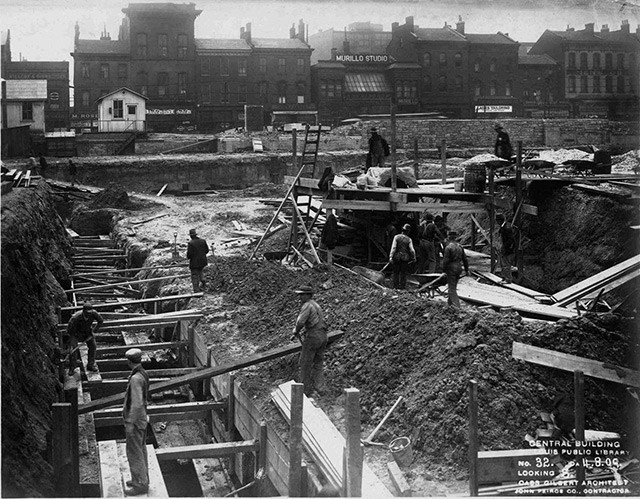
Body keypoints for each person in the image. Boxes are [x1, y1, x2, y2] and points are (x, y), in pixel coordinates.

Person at [291, 286, 327, 397]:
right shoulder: (316, 305)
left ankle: (305, 391)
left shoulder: (307, 306)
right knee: (318, 363)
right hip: (323, 335)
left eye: (302, 294)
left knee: (305, 363)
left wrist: (295, 330)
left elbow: (301, 321)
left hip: (313, 337)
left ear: (308, 295)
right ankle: (320, 388)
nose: (300, 297)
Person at [123, 348, 150, 496]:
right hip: (142, 418)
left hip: (135, 421)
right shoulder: (143, 373)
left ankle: (140, 485)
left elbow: (137, 403)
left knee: (134, 452)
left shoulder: (135, 379)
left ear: (128, 361)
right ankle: (141, 479)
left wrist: (130, 423)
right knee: (141, 449)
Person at [65, 302, 104, 375]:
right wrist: (73, 339)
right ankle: (72, 367)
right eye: (87, 313)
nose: (89, 314)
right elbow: (70, 330)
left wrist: (93, 332)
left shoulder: (94, 313)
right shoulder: (75, 318)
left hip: (87, 332)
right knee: (73, 350)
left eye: (90, 312)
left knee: (93, 346)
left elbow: (100, 321)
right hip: (75, 333)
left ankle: (90, 365)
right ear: (83, 311)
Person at [441, 231, 469, 309]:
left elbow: (445, 260)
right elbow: (465, 259)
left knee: (451, 289)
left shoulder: (448, 247)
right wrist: (467, 270)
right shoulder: (460, 247)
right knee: (453, 286)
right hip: (459, 268)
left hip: (451, 268)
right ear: (455, 237)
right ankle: (449, 305)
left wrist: (443, 270)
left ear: (449, 237)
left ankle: (457, 306)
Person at [389, 223, 416, 290]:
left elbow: (394, 248)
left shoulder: (396, 237)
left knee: (396, 272)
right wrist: (414, 257)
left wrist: (390, 256)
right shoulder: (409, 239)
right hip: (405, 258)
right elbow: (412, 250)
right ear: (408, 231)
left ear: (402, 230)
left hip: (397, 257)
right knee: (403, 273)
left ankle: (395, 287)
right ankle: (402, 287)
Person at [495, 213, 516, 284]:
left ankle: (508, 279)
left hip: (508, 249)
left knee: (506, 264)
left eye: (497, 221)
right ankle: (504, 278)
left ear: (500, 220)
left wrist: (505, 248)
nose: (497, 222)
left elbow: (510, 240)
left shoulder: (507, 228)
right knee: (502, 263)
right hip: (505, 247)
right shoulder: (503, 227)